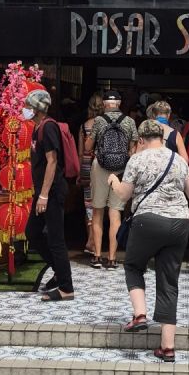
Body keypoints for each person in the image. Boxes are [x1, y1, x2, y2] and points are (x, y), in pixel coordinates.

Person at [107, 119, 189, 362]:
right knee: (169, 282)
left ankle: (140, 315)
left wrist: (114, 181)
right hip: (179, 222)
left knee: (133, 265)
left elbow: (124, 194)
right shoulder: (179, 160)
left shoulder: (137, 160)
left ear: (140, 140)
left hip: (147, 220)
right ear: (162, 136)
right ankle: (167, 347)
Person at [24, 89, 74, 302]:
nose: (25, 110)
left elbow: (52, 161)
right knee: (32, 232)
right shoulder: (38, 128)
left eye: (28, 106)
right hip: (43, 191)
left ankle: (66, 287)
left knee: (56, 239)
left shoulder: (49, 127)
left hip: (51, 192)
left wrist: (43, 195)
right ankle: (58, 271)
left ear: (37, 108)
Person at [85, 91, 136, 269]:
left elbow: (87, 146)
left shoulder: (98, 121)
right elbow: (133, 148)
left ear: (105, 104)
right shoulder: (129, 121)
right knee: (115, 214)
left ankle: (97, 256)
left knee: (97, 211)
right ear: (119, 103)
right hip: (121, 169)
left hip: (100, 167)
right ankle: (112, 258)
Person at [78, 91, 104, 263]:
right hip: (102, 167)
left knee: (88, 203)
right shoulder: (105, 125)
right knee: (101, 204)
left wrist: (81, 171)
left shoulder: (84, 126)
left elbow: (81, 152)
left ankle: (91, 242)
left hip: (87, 166)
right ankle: (96, 242)